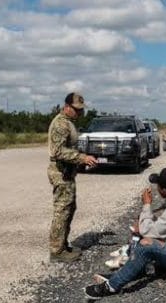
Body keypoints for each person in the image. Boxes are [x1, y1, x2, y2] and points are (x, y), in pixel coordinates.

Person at [84, 167, 166, 299]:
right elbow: (160, 226)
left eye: (158, 185)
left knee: (146, 244)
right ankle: (124, 273)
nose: (156, 189)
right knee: (150, 244)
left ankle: (111, 286)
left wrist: (146, 205)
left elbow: (148, 232)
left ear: (164, 190)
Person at [104, 161, 166, 269]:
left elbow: (161, 225)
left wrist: (147, 205)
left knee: (142, 226)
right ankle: (129, 249)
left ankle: (130, 256)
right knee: (143, 219)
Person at [47, 92, 98, 263]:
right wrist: (82, 158)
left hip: (67, 173)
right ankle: (56, 250)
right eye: (77, 110)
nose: (80, 113)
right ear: (67, 107)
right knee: (62, 211)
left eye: (81, 110)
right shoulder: (61, 124)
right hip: (60, 173)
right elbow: (58, 151)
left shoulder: (69, 122)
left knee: (69, 208)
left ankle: (62, 244)